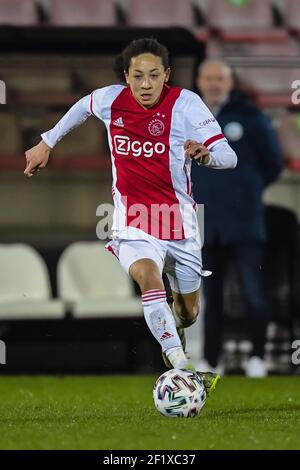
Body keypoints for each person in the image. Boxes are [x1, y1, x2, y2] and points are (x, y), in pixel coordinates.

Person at [24, 39, 237, 393]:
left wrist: (205, 155)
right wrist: (47, 141)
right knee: (148, 278)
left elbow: (230, 157)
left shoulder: (185, 104)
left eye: (154, 75)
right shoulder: (111, 100)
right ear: (127, 76)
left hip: (180, 224)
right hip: (133, 221)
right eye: (138, 76)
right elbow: (83, 106)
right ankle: (184, 369)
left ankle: (176, 326)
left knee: (188, 313)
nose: (146, 84)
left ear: (166, 75)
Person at [192, 59, 283, 377]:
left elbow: (274, 163)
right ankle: (211, 360)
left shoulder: (250, 117)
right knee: (210, 297)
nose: (214, 83)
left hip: (245, 222)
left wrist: (246, 190)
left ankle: (257, 357)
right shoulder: (190, 117)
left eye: (220, 78)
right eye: (209, 78)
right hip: (205, 222)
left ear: (230, 83)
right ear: (200, 81)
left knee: (252, 292)